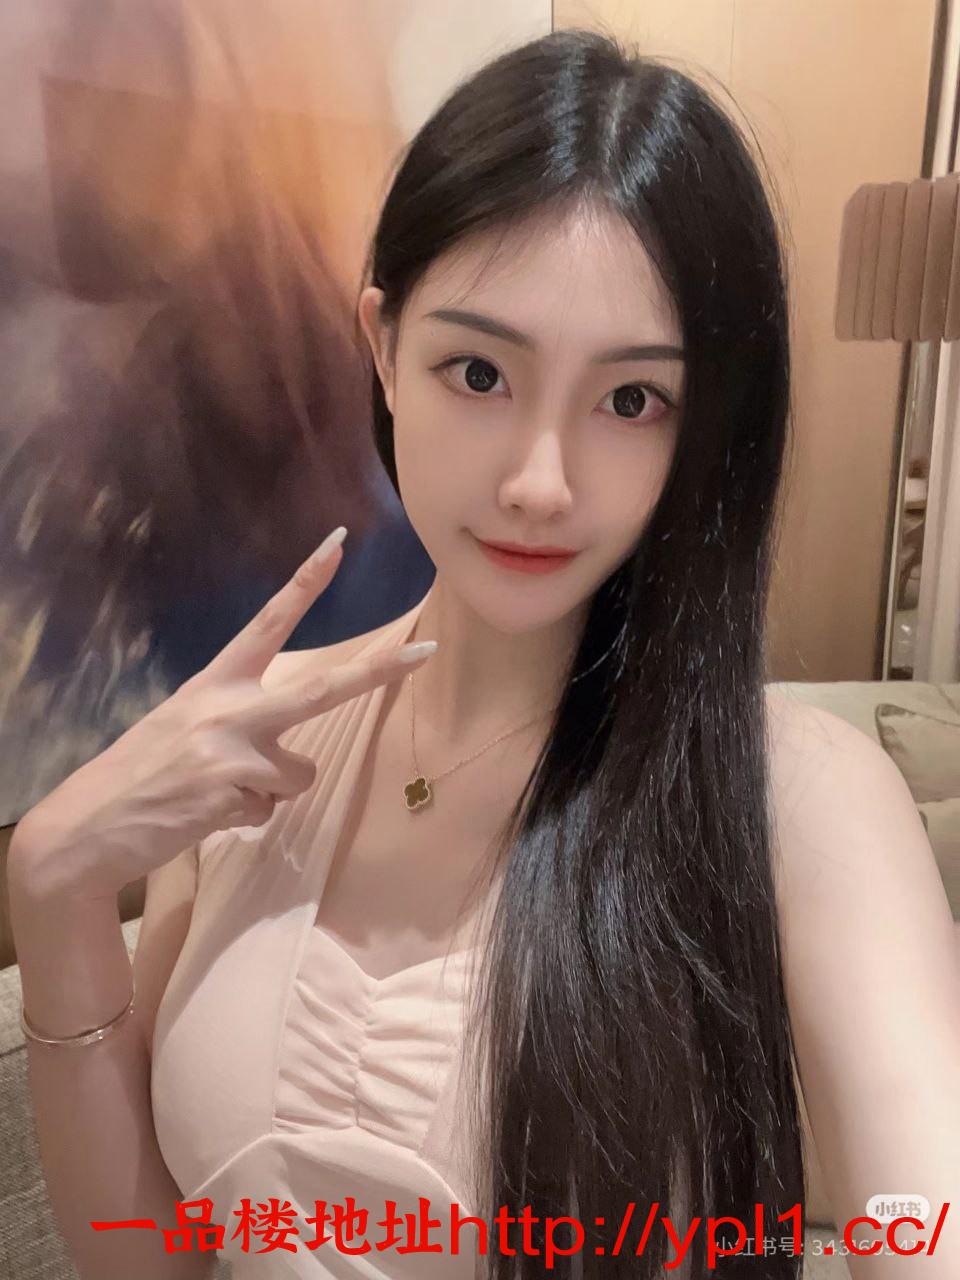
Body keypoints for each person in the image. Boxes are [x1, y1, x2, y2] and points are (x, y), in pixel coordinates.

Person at [8, 27, 959, 1280]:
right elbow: (147, 1259)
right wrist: (57, 889)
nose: (538, 481)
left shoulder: (797, 799)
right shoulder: (249, 742)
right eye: (478, 371)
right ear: (383, 348)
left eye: (630, 399)